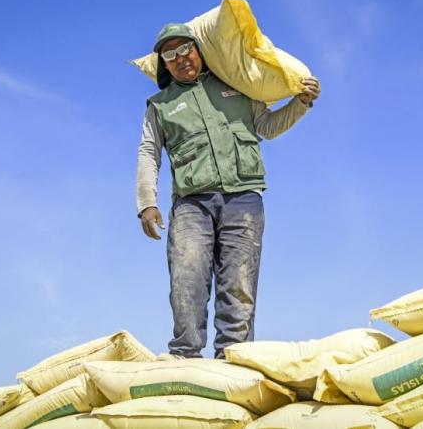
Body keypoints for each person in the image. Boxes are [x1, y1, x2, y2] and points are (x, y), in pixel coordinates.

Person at [136, 23, 320, 359]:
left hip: (244, 199)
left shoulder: (237, 84)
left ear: (199, 50)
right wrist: (147, 202)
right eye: (170, 55)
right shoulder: (160, 105)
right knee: (187, 281)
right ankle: (184, 358)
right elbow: (149, 152)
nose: (180, 58)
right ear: (164, 64)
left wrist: (301, 102)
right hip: (192, 205)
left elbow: (266, 127)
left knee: (239, 285)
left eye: (185, 49)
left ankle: (234, 360)